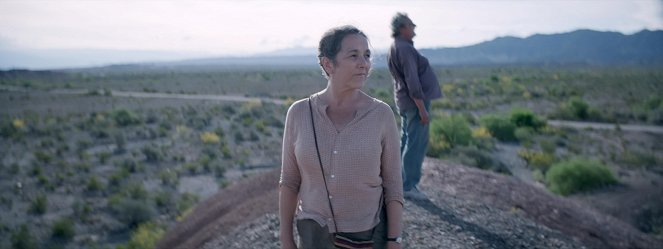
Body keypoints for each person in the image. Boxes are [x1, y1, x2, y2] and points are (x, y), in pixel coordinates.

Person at [279, 25, 404, 249]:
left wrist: (394, 240)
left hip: (367, 235)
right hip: (312, 236)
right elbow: (289, 181)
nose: (364, 63)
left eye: (367, 55)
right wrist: (285, 239)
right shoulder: (299, 113)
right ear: (328, 64)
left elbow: (393, 184)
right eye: (353, 55)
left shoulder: (381, 115)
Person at [387, 13, 442, 200]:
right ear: (402, 28)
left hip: (405, 101)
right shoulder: (404, 49)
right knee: (416, 143)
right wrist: (422, 108)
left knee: (407, 140)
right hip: (413, 102)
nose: (415, 27)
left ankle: (400, 182)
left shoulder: (397, 47)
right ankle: (408, 186)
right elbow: (412, 80)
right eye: (411, 25)